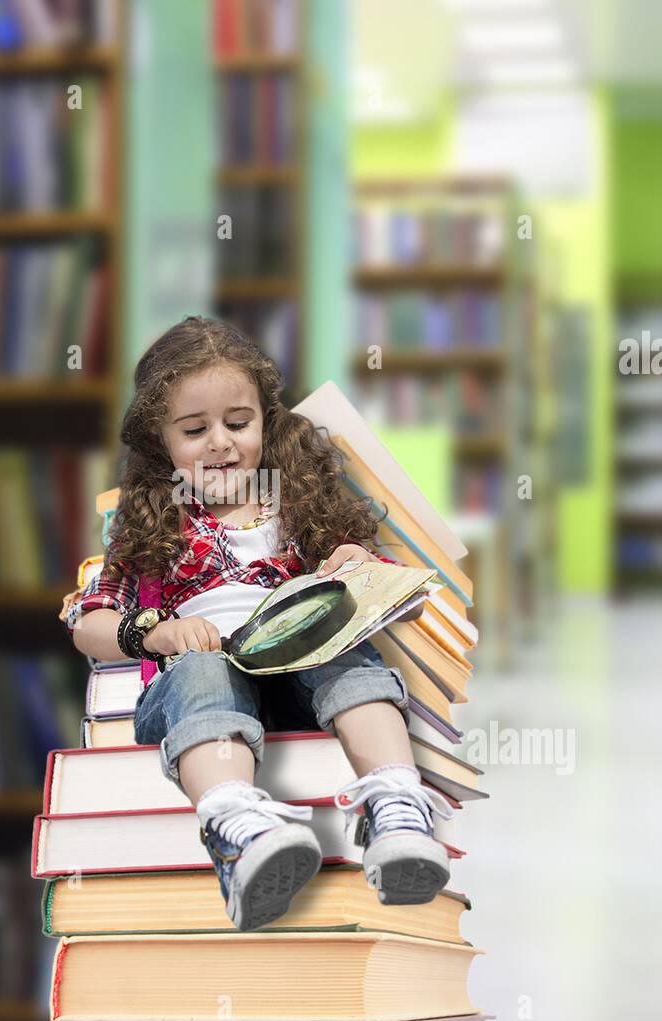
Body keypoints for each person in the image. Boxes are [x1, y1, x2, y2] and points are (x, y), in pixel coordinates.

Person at [62, 316, 453, 931]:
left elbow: (389, 588)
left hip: (298, 665)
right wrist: (155, 633)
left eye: (237, 424)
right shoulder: (152, 520)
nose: (220, 442)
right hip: (201, 676)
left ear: (265, 422)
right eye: (195, 430)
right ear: (160, 441)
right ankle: (238, 829)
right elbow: (89, 622)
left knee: (350, 663)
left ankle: (397, 806)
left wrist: (355, 565)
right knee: (202, 671)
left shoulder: (295, 500)